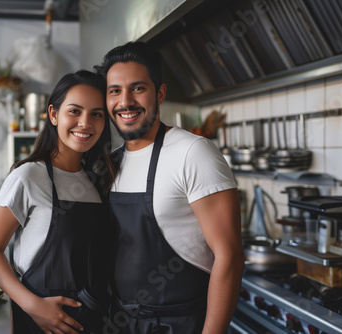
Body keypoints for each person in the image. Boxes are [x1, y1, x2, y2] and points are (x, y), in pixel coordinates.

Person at [95, 41, 244, 333]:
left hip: (179, 324)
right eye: (115, 91)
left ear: (159, 93)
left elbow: (230, 256)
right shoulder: (110, 164)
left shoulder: (193, 152)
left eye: (138, 88)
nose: (125, 102)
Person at [0, 70, 117, 334]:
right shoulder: (28, 176)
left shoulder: (99, 180)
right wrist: (33, 305)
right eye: (74, 111)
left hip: (93, 321)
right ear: (53, 114)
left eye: (96, 114)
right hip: (38, 323)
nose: (85, 123)